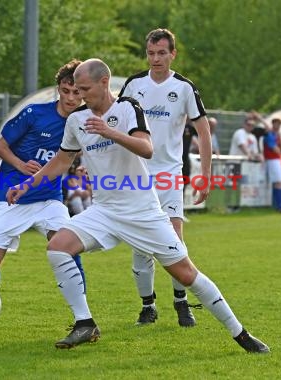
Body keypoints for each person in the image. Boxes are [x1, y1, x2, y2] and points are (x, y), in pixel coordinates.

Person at [7, 58, 269, 353]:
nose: (79, 96)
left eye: (84, 89)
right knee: (58, 246)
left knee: (185, 274)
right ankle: (85, 323)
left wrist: (109, 132)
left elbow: (146, 148)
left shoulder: (128, 107)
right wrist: (25, 185)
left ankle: (241, 334)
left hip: (142, 210)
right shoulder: (76, 120)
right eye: (76, 90)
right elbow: (61, 161)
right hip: (105, 211)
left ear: (104, 82)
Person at [117, 28, 213, 327]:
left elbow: (204, 131)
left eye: (162, 53)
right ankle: (148, 306)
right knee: (140, 243)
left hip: (169, 174)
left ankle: (181, 301)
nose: (156, 58)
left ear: (173, 54)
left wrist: (206, 174)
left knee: (173, 239)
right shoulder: (134, 85)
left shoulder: (183, 88)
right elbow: (115, 122)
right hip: (137, 175)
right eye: (151, 53)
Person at [0, 59, 86, 294]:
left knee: (68, 249)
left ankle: (83, 316)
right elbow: (0, 146)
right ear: (58, 89)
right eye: (65, 91)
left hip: (49, 198)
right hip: (12, 195)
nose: (70, 98)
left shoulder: (82, 122)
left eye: (76, 92)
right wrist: (20, 164)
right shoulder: (34, 113)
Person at [263, 118, 281, 213]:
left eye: (279, 125)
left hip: (276, 160)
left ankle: (280, 205)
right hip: (272, 160)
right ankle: (280, 206)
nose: (278, 126)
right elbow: (275, 149)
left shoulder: (277, 135)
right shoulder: (269, 135)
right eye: (276, 124)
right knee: (278, 182)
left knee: (279, 182)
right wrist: (280, 151)